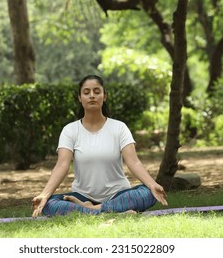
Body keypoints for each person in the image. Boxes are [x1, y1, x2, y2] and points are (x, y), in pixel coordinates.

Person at [32, 75, 168, 217]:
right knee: (49, 204)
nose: (92, 96)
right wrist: (45, 194)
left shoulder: (119, 127)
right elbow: (61, 165)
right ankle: (113, 212)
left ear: (104, 96)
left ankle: (92, 210)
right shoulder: (70, 130)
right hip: (82, 196)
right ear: (80, 98)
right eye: (86, 92)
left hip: (117, 194)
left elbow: (133, 162)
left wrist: (152, 184)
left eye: (97, 92)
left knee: (147, 194)